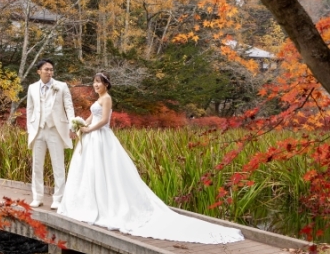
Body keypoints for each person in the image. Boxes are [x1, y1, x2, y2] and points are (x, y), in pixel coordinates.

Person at [57, 72, 244, 244]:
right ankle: (90, 203)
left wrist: (89, 129)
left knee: (106, 170)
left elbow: (104, 120)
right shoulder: (98, 99)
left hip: (101, 138)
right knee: (91, 170)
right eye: (94, 82)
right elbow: (91, 117)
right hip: (91, 139)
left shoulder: (107, 99)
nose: (96, 85)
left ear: (106, 84)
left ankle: (108, 206)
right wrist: (80, 125)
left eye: (99, 82)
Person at [26, 59, 75, 209]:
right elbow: (30, 109)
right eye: (46, 69)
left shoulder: (61, 86)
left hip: (55, 129)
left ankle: (58, 199)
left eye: (51, 69)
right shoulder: (32, 87)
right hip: (38, 130)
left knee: (58, 165)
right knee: (37, 165)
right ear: (39, 71)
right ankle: (37, 197)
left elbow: (69, 107)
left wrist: (72, 125)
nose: (49, 72)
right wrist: (30, 129)